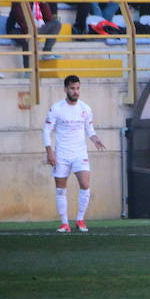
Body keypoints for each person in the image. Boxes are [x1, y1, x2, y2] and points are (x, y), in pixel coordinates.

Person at [43, 75, 105, 233]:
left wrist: (95, 139)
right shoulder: (57, 108)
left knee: (85, 185)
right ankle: (64, 223)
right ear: (65, 89)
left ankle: (80, 219)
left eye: (77, 88)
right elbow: (46, 130)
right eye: (72, 88)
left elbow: (89, 129)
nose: (75, 91)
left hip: (79, 153)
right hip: (62, 154)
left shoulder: (85, 108)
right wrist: (50, 152)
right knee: (60, 189)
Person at [7, 0, 63, 69]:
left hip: (36, 29)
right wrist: (31, 32)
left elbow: (48, 19)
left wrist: (44, 3)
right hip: (19, 30)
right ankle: (28, 70)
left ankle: (46, 52)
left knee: (56, 23)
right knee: (27, 38)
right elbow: (21, 18)